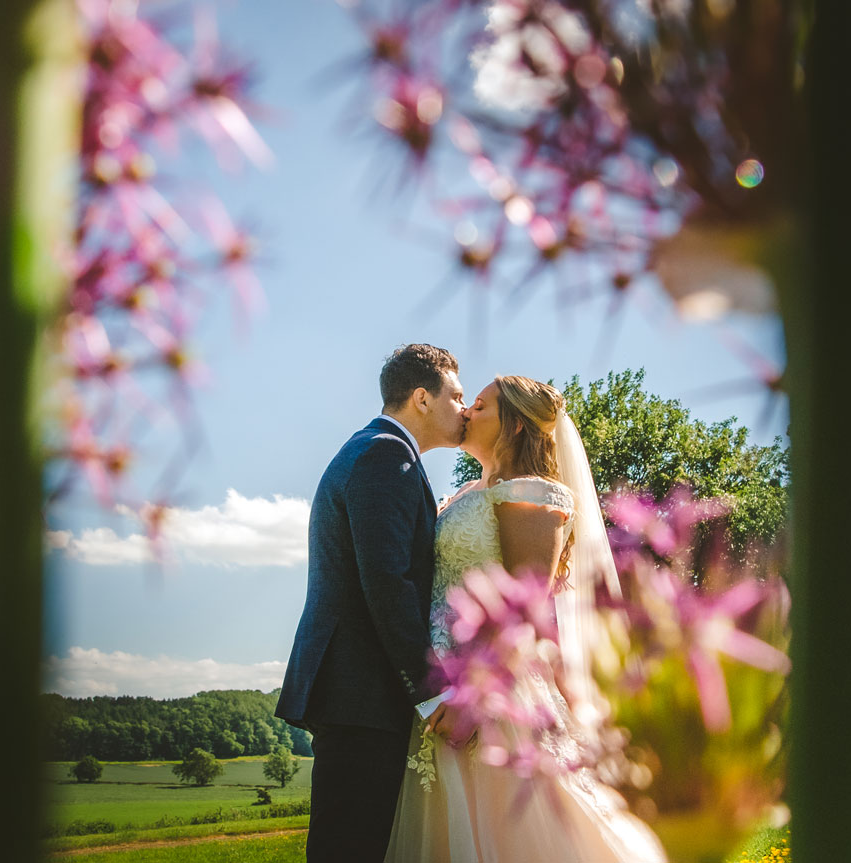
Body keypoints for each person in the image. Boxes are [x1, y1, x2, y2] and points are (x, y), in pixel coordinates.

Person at [385, 375, 667, 862]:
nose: (467, 412)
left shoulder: (534, 493)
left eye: (480, 405)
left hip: (490, 693)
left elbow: (527, 604)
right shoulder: (473, 490)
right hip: (442, 685)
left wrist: (472, 694)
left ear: (515, 426)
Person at [276, 343, 467, 862]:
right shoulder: (386, 454)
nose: (464, 409)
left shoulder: (380, 450)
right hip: (359, 690)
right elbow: (386, 581)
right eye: (457, 395)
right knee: (351, 847)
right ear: (422, 399)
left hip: (358, 690)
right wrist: (434, 692)